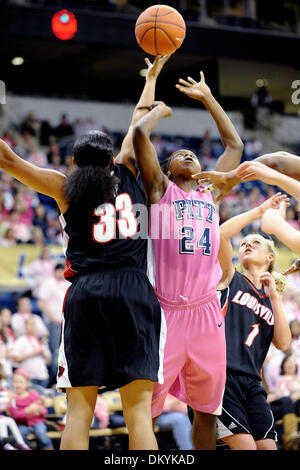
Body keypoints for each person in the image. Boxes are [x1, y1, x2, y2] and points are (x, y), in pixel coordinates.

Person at [0, 54, 170, 450]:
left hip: (86, 294)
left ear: (74, 162)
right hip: (134, 291)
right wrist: (152, 77)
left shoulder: (63, 187)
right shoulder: (129, 169)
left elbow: (7, 158)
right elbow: (138, 121)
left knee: (78, 411)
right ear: (112, 157)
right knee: (138, 415)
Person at [132, 70, 244, 449]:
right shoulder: (161, 194)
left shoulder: (210, 194)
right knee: (144, 409)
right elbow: (139, 136)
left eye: (191, 152)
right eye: (178, 155)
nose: (186, 153)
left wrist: (208, 96)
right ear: (167, 171)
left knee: (207, 411)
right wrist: (158, 110)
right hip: (165, 314)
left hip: (206, 311)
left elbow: (235, 145)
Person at [214, 193, 291, 450]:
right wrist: (259, 211)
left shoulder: (271, 298)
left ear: (270, 257)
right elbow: (223, 234)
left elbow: (282, 343)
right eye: (244, 242)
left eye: (255, 242)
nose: (246, 244)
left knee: (268, 448)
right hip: (222, 377)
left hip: (253, 384)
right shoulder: (230, 277)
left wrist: (276, 299)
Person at [37, 263, 70, 384]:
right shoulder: (48, 282)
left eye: (63, 271)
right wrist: (53, 318)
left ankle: (66, 378)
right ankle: (54, 379)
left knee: (67, 351)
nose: (61, 273)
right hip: (54, 324)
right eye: (59, 271)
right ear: (55, 271)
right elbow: (41, 302)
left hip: (67, 322)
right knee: (56, 351)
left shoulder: (67, 282)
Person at [8, 369, 54, 450]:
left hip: (37, 421)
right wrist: (28, 410)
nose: (18, 385)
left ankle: (48, 447)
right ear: (12, 383)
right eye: (15, 382)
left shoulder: (33, 394)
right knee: (21, 434)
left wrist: (39, 409)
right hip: (22, 424)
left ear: (27, 383)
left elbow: (44, 411)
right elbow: (15, 415)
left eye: (21, 382)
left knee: (41, 433)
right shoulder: (12, 398)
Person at [267, 353, 300, 449]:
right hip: (280, 406)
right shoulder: (281, 379)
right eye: (287, 363)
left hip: (293, 407)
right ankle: (291, 436)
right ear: (283, 366)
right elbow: (282, 395)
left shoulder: (298, 380)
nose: (290, 365)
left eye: (292, 363)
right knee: (287, 399)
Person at [10, 317, 52, 389]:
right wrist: (32, 353)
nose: (33, 327)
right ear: (26, 327)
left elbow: (49, 361)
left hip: (43, 376)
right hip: (29, 377)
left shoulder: (41, 340)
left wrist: (43, 353)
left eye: (34, 325)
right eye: (30, 324)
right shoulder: (21, 340)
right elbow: (15, 359)